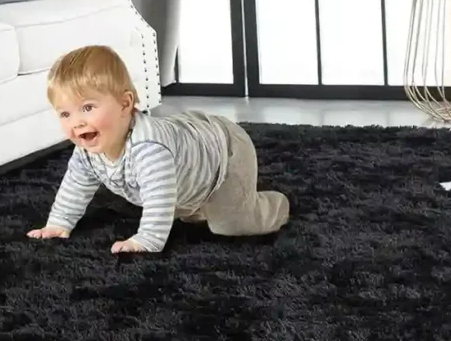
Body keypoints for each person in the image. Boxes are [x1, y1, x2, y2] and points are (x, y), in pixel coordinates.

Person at [27, 45, 289, 253]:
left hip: (225, 151)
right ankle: (197, 198)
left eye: (87, 108)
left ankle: (274, 204)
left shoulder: (149, 150)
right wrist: (59, 223)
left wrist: (146, 240)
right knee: (184, 206)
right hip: (185, 141)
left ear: (125, 104)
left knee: (229, 224)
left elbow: (159, 199)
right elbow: (75, 185)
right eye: (65, 114)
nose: (77, 122)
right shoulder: (86, 151)